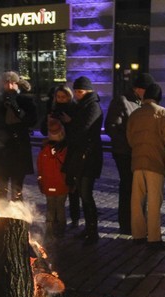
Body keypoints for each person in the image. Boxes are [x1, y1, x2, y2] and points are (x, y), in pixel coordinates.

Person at [126, 83, 165, 251]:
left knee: (137, 199)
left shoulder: (135, 114)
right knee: (154, 200)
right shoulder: (163, 113)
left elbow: (130, 138)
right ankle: (154, 238)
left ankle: (138, 234)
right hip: (155, 161)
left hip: (137, 160)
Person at [105, 73, 155, 235]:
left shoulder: (143, 103)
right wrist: (130, 143)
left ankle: (139, 221)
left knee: (141, 189)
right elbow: (112, 127)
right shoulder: (122, 101)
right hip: (125, 153)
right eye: (145, 90)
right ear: (137, 89)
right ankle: (126, 223)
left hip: (140, 153)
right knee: (128, 188)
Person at [64, 76, 104, 245]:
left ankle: (93, 231)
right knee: (82, 193)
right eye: (76, 92)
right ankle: (88, 229)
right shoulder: (82, 106)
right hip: (81, 155)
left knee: (87, 195)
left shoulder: (92, 106)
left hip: (89, 157)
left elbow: (83, 129)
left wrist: (70, 122)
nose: (76, 95)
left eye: (79, 92)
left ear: (87, 91)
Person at [0, 71, 37, 202]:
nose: (9, 86)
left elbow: (31, 120)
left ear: (18, 84)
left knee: (16, 189)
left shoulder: (26, 100)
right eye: (6, 83)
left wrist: (16, 107)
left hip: (19, 148)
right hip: (2, 149)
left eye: (13, 83)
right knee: (1, 188)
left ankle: (17, 218)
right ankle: (1, 216)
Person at [43, 85, 78, 229]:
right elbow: (44, 129)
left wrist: (68, 121)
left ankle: (74, 218)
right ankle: (57, 218)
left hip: (69, 150)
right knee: (57, 182)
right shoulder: (53, 110)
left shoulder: (75, 109)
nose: (61, 100)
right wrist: (49, 120)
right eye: (59, 97)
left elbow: (77, 131)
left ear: (69, 97)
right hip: (55, 151)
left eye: (64, 97)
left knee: (72, 187)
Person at [37, 113, 69, 238]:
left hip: (55, 183)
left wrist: (40, 179)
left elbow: (40, 166)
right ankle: (55, 228)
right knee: (55, 207)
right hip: (55, 183)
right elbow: (40, 166)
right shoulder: (50, 150)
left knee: (54, 207)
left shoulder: (49, 150)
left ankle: (54, 228)